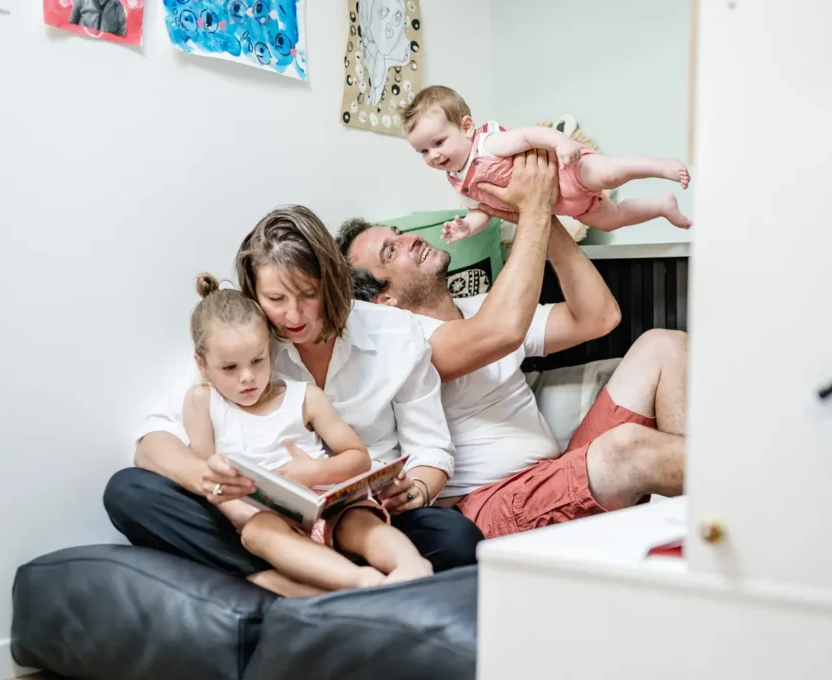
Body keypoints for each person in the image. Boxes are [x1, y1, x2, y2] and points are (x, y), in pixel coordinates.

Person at [104, 206, 484, 595]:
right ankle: (295, 579)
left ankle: (274, 581)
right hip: (264, 518)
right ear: (254, 293)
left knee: (456, 538)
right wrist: (209, 479)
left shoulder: (397, 334)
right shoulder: (245, 344)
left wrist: (415, 490)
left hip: (360, 511)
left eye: (308, 294)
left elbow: (431, 450)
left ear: (333, 282)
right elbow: (153, 441)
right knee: (129, 491)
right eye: (275, 298)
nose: (292, 314)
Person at [337, 148, 687, 539]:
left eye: (399, 235)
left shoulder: (479, 307)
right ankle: (745, 486)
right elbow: (501, 332)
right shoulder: (405, 344)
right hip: (494, 503)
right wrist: (533, 206)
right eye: (392, 251)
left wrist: (539, 214)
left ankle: (697, 527)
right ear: (385, 301)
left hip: (557, 474)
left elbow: (599, 317)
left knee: (664, 345)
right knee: (627, 449)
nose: (411, 241)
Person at [181, 273, 431, 595]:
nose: (247, 378)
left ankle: (411, 564)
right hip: (261, 513)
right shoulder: (202, 402)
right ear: (202, 365)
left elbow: (358, 457)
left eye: (257, 361)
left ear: (270, 350)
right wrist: (240, 509)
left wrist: (315, 472)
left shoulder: (304, 396)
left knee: (359, 522)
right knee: (258, 533)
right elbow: (205, 472)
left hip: (325, 499)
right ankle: (363, 583)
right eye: (229, 368)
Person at [400, 85, 692, 244]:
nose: (433, 156)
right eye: (423, 151)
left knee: (609, 174)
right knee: (613, 217)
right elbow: (481, 211)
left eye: (438, 143)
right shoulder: (458, 180)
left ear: (466, 126)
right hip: (568, 204)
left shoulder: (487, 144)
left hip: (567, 170)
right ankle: (661, 206)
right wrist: (467, 228)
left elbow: (529, 135)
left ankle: (661, 166)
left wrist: (560, 142)